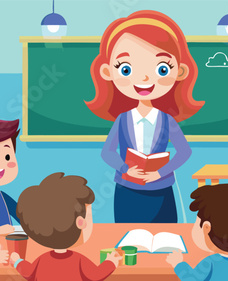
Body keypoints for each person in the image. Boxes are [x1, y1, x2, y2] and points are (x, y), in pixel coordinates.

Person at [86, 10, 204, 223]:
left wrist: (159, 174)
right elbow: (107, 152)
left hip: (161, 190)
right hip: (127, 189)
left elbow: (184, 151)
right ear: (107, 72)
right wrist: (125, 169)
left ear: (179, 72)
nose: (144, 78)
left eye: (161, 68)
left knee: (164, 238)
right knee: (128, 238)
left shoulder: (167, 119)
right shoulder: (122, 119)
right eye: (126, 68)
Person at [9, 173, 122, 280]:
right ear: (81, 222)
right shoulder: (79, 261)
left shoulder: (42, 261)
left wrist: (17, 261)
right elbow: (96, 275)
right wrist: (111, 262)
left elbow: (28, 272)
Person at [166, 184, 228, 281]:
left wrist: (179, 264)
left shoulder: (210, 263)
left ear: (206, 228)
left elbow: (191, 279)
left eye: (197, 222)